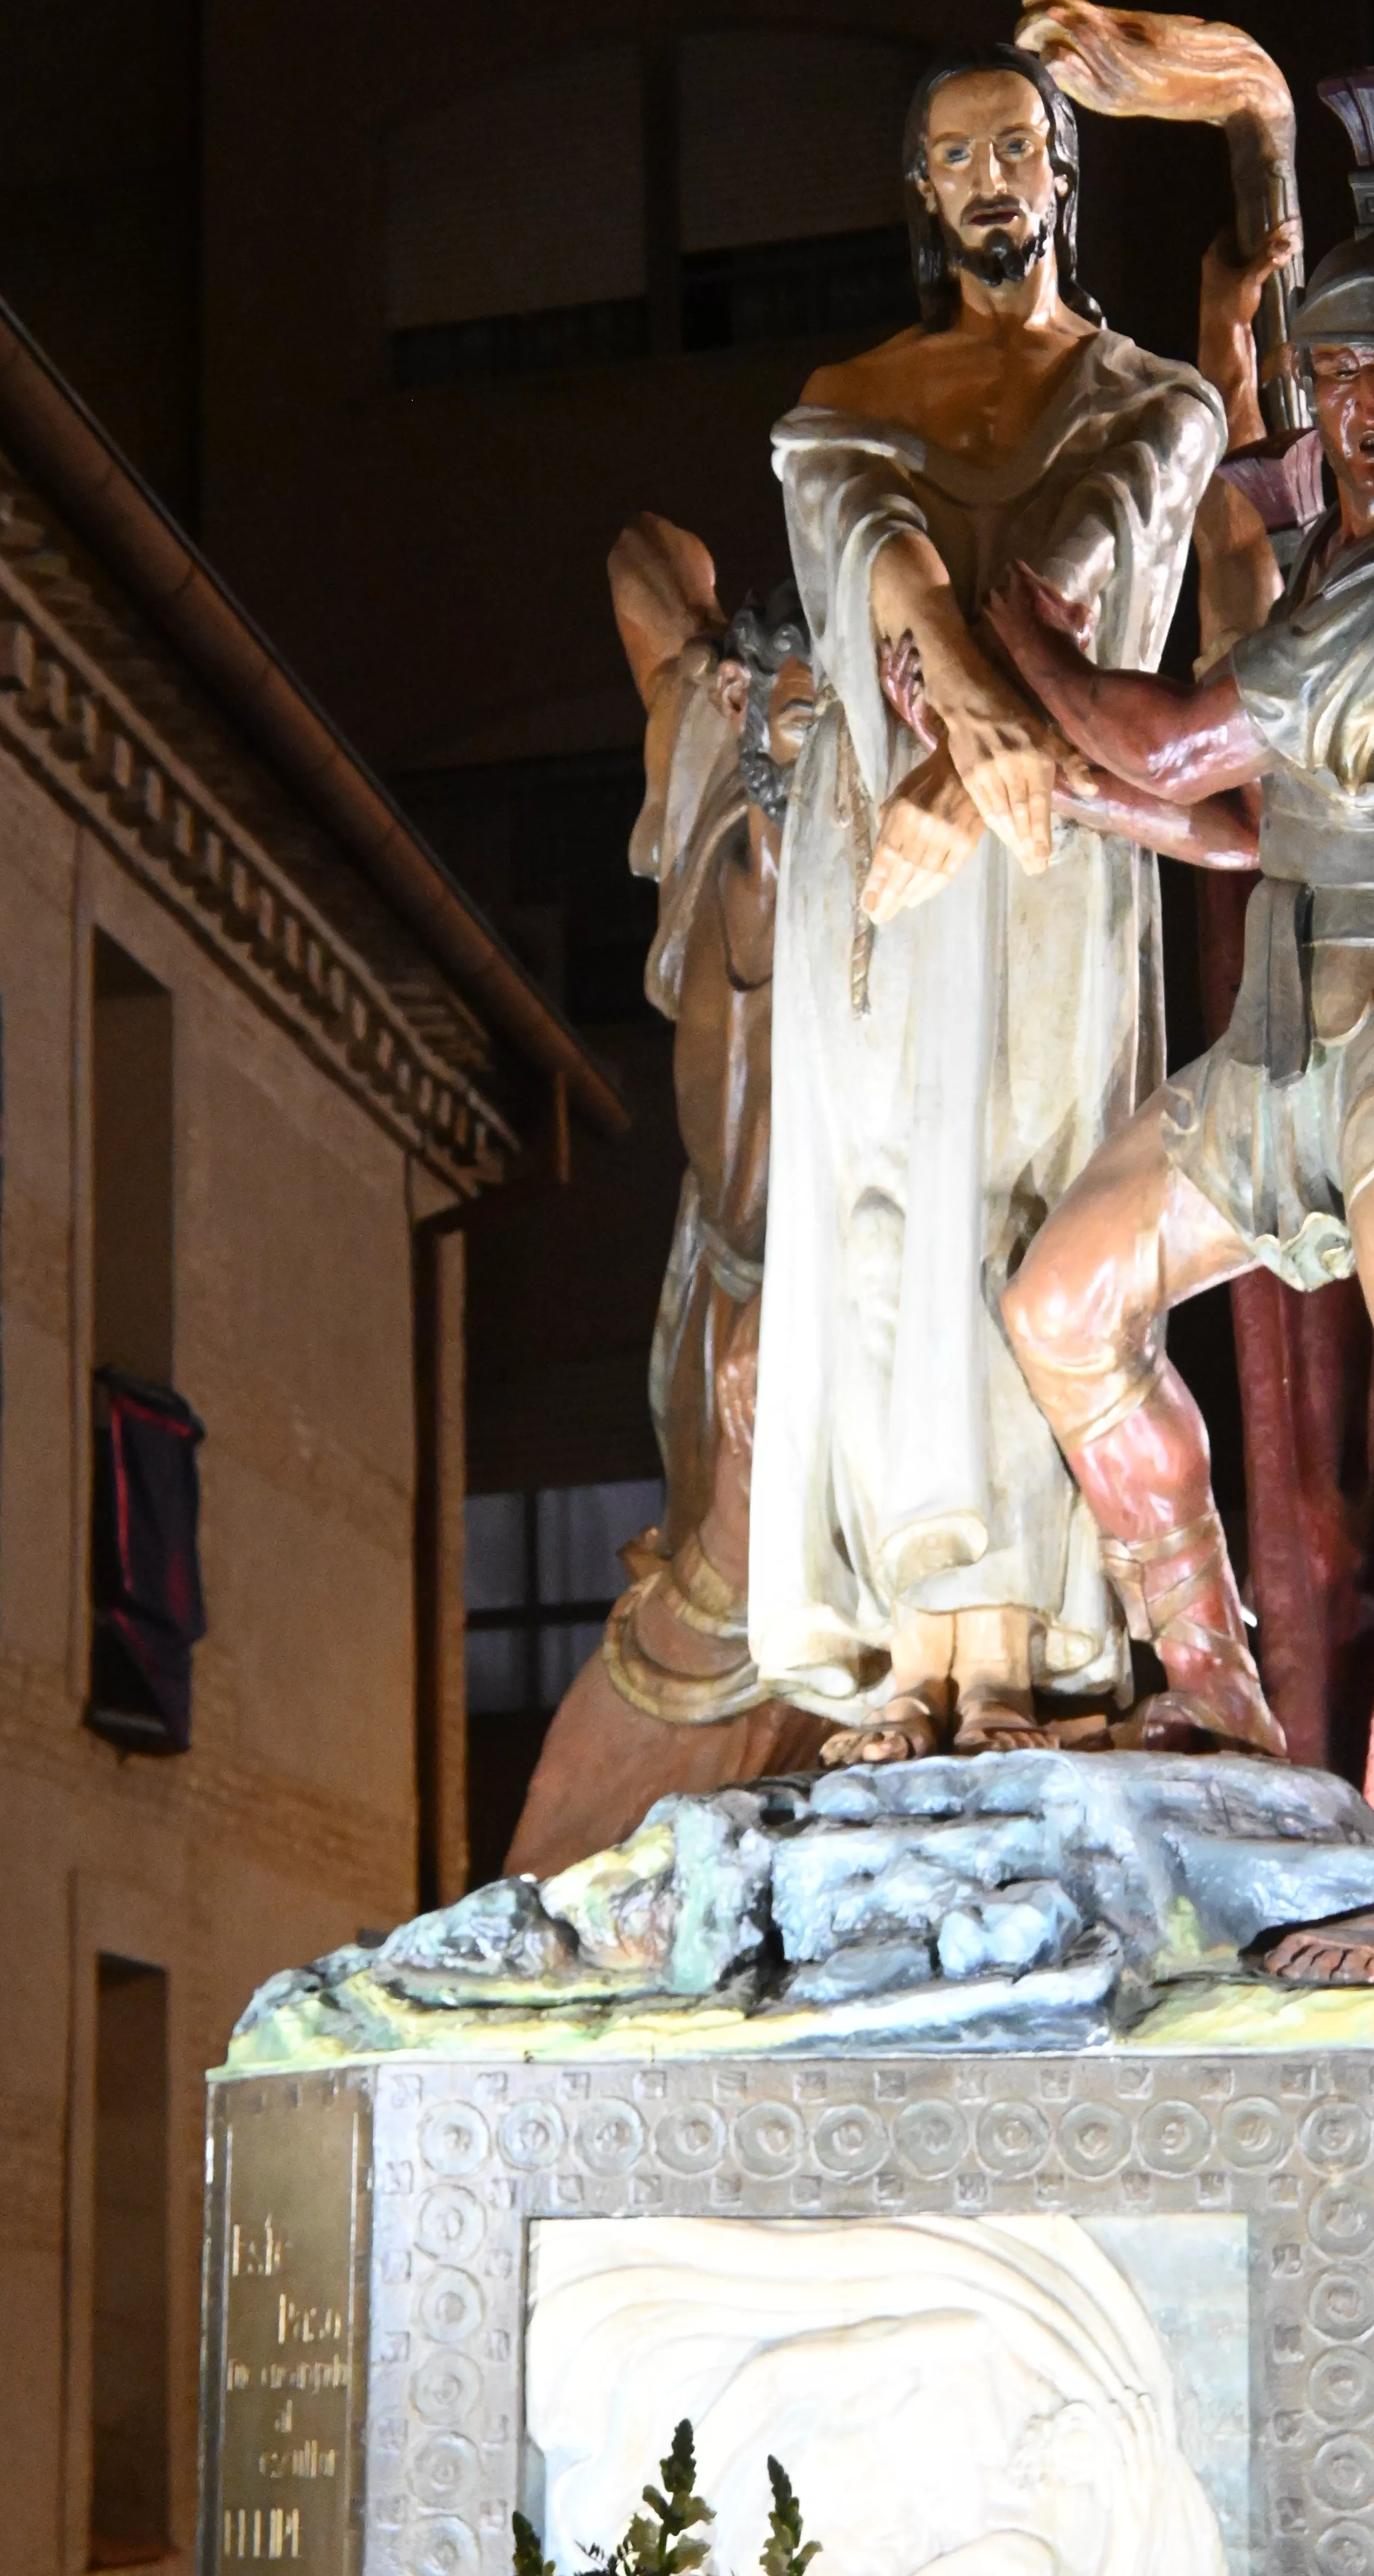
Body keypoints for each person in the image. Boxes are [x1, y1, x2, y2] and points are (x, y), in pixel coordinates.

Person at [992, 65, 1374, 1983]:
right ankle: (1217, 1685)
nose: (1368, 413)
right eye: (1341, 384)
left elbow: (1175, 736)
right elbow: (1252, 816)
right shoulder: (1351, 556)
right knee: (1063, 1301)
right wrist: (1062, 775)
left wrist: (1007, 627)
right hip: (1291, 1041)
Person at [748, 40, 1271, 1763]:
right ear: (922, 192)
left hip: (1050, 862)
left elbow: (1100, 574)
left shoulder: (1153, 399)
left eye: (1019, 146)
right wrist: (952, 731)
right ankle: (919, 1634)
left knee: (1039, 1207)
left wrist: (960, 779)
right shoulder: (849, 390)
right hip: (881, 891)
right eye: (955, 154)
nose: (990, 177)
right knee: (887, 1221)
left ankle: (1038, 1643)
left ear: (1065, 174)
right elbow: (860, 560)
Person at [505, 519, 826, 1875]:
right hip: (723, 1257)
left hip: (812, 1259)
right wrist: (709, 644)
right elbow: (637, 555)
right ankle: (575, 1873)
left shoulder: (887, 851)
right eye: (800, 716)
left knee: (757, 1587)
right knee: (719, 1552)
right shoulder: (717, 755)